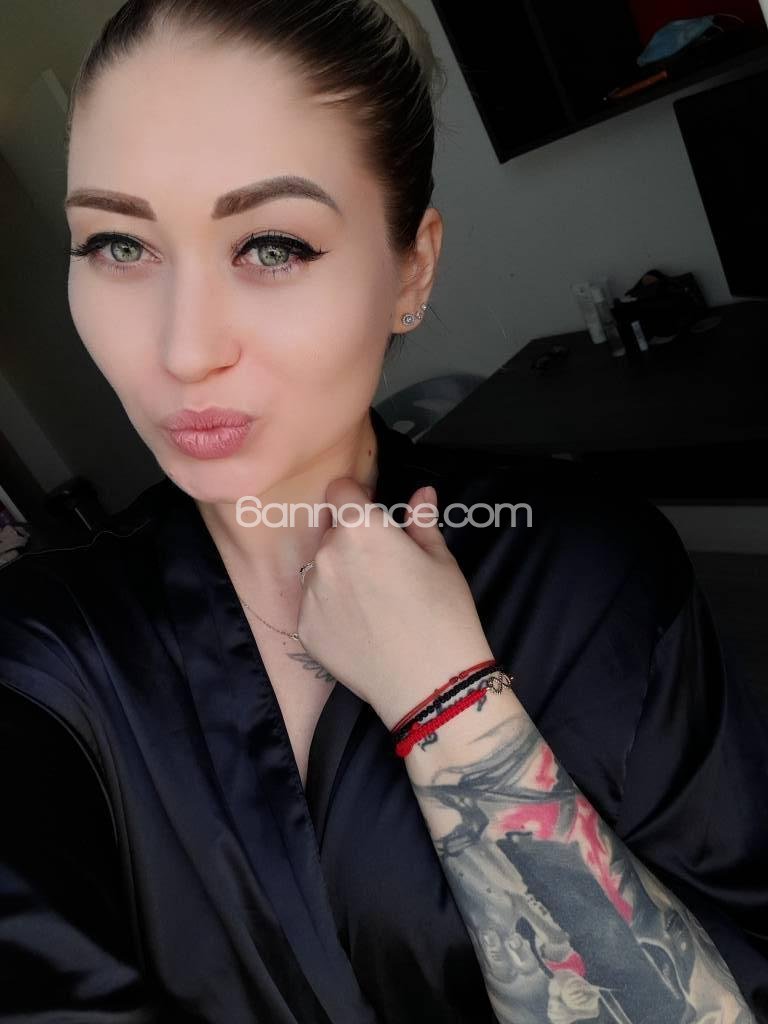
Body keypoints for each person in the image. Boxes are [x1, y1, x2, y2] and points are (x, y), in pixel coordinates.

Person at [0, 1, 766, 1021]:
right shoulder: (47, 649)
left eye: (272, 246)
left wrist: (447, 704)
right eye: (117, 245)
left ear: (412, 269)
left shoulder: (589, 573)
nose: (183, 350)